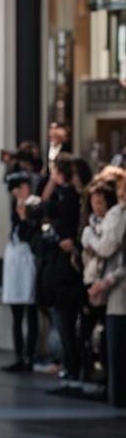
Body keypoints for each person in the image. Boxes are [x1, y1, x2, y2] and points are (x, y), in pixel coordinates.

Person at [35, 156, 85, 393]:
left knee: (66, 322)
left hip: (66, 268)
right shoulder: (66, 196)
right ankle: (69, 365)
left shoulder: (68, 196)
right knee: (62, 320)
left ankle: (72, 367)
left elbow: (44, 204)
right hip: (60, 266)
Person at [88, 170, 126, 407]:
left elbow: (106, 247)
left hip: (119, 296)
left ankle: (117, 397)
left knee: (117, 354)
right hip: (115, 291)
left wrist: (88, 237)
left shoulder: (118, 215)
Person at [0, 172, 41, 372]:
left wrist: (25, 217)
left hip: (27, 258)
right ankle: (19, 354)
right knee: (16, 313)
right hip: (15, 258)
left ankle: (29, 355)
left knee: (30, 309)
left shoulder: (35, 206)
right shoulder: (15, 207)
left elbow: (31, 233)